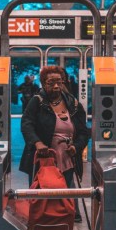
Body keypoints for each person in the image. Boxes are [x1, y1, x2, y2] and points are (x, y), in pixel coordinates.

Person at [19, 66, 90, 222]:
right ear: (44, 83)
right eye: (51, 82)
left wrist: (76, 147)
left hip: (67, 157)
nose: (56, 86)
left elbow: (84, 132)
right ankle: (41, 216)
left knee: (68, 186)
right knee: (42, 188)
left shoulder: (73, 103)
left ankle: (69, 215)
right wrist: (37, 143)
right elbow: (26, 124)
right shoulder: (37, 102)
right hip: (44, 157)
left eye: (59, 81)